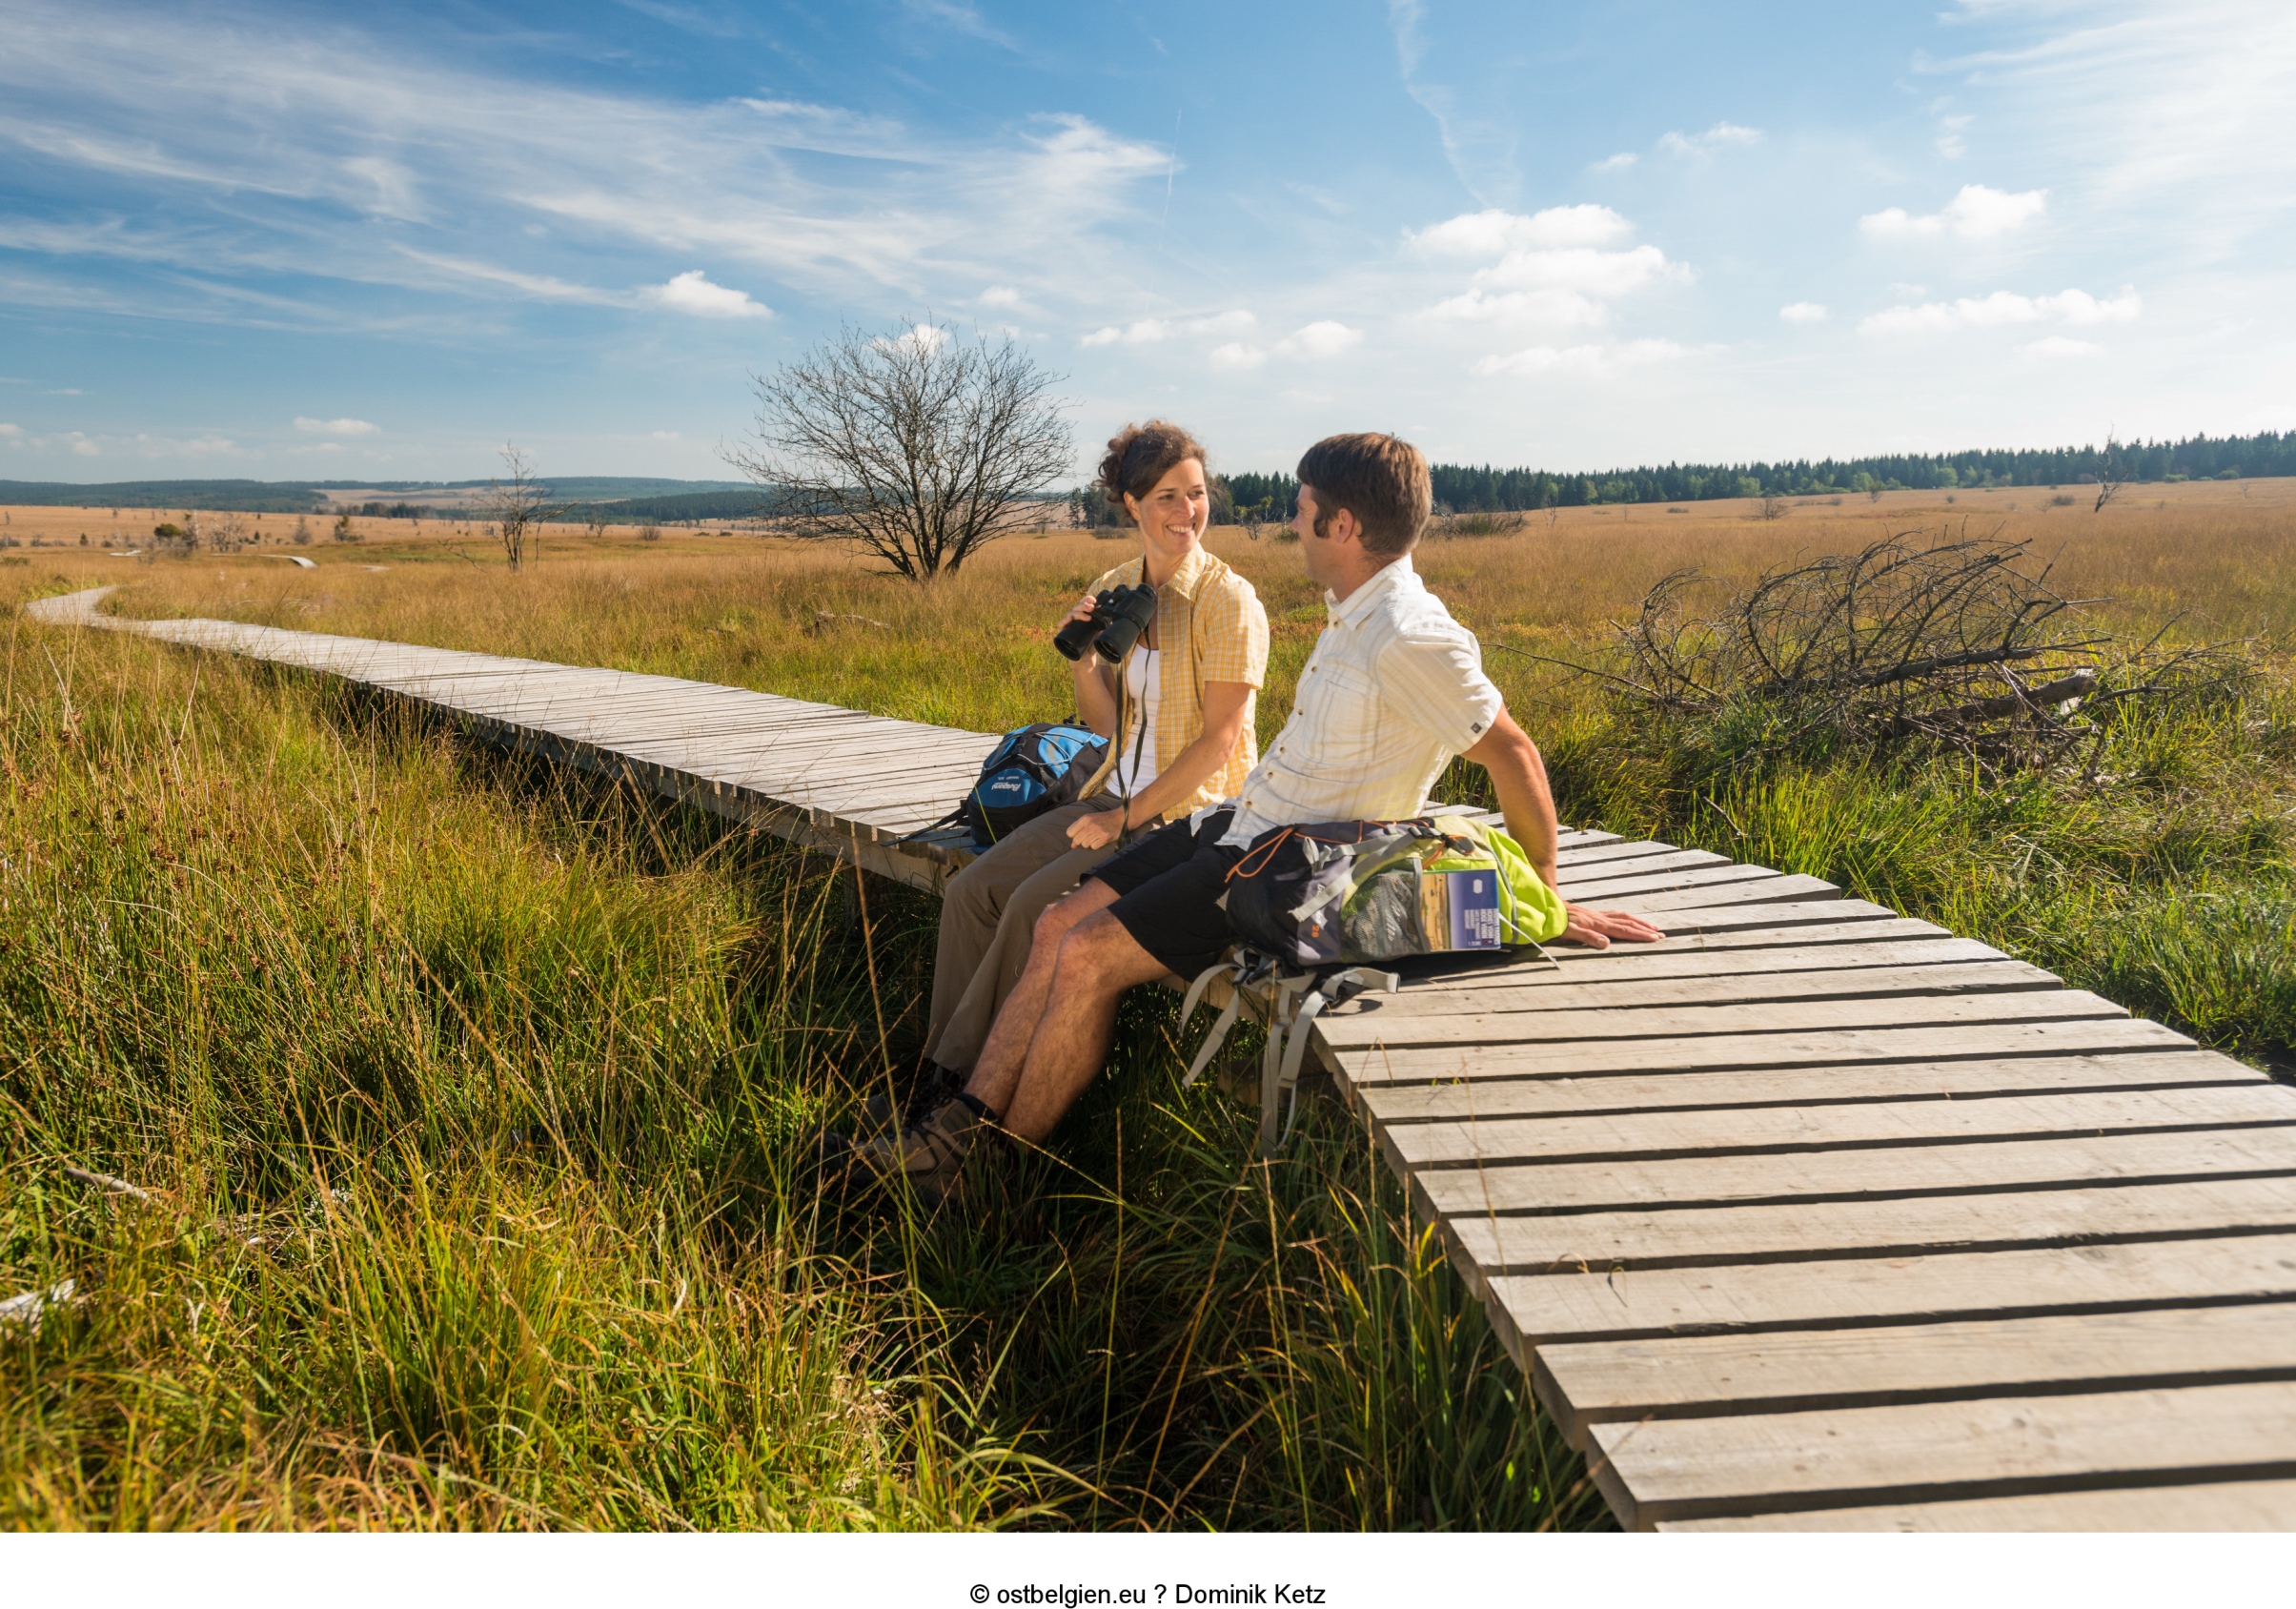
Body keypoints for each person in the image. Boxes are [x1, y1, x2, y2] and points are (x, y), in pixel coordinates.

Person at [859, 432, 1665, 1201]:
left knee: (1085, 956)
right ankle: (950, 1133)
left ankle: (984, 1172)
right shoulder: (1353, 610)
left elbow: (1513, 755)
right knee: (1054, 925)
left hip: (1282, 865)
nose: (1290, 520)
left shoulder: (1409, 636)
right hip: (1233, 824)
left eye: (1301, 507)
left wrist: (1541, 895)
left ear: (1341, 526)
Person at [904, 419, 1270, 1119]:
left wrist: (1124, 819)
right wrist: (1085, 660)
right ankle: (938, 1073)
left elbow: (1219, 743)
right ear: (1131, 504)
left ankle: (961, 1098)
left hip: (1180, 815)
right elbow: (1104, 727)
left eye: (1195, 494)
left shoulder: (1228, 601)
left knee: (1027, 910)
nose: (1186, 511)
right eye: (1166, 497)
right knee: (970, 893)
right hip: (1109, 794)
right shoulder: (1116, 586)